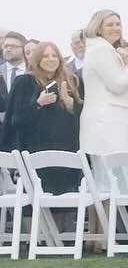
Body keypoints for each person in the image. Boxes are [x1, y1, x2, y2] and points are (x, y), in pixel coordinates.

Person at [4, 42, 83, 194]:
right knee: (33, 205)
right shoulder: (24, 82)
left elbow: (82, 119)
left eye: (54, 55)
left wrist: (70, 104)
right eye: (45, 56)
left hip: (65, 151)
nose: (50, 59)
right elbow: (15, 119)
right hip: (35, 150)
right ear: (37, 59)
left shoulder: (72, 81)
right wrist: (38, 103)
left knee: (64, 204)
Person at [78, 10, 128, 166]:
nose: (116, 28)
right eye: (110, 24)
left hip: (111, 121)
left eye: (118, 24)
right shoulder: (101, 49)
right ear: (98, 29)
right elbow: (117, 84)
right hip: (109, 122)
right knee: (113, 178)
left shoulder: (103, 49)